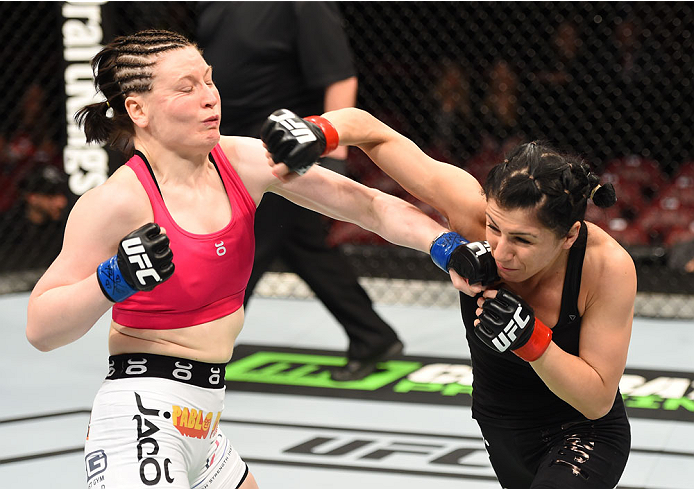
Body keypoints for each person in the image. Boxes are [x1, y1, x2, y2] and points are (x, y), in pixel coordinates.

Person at [24, 30, 454, 489]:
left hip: (204, 425)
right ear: (137, 109)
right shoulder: (116, 203)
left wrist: (449, 248)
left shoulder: (242, 160)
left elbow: (370, 207)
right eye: (186, 88)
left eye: (209, 80)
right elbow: (41, 329)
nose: (210, 98)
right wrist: (113, 280)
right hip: (142, 418)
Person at [269, 108, 635, 489]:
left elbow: (596, 400)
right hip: (501, 427)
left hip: (583, 434)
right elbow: (376, 135)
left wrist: (531, 340)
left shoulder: (605, 267)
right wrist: (319, 131)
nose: (502, 251)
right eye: (495, 228)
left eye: (524, 240)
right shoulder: (470, 212)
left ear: (570, 236)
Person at [196, 1, 403, 382]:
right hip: (228, 143)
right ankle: (372, 336)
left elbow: (339, 77)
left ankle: (201, 353)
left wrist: (334, 156)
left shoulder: (302, 4)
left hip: (281, 151)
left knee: (246, 246)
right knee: (301, 244)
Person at [0, 164, 68, 273]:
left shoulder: (65, 227)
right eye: (51, 197)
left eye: (62, 195)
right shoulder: (7, 228)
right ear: (33, 198)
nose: (61, 203)